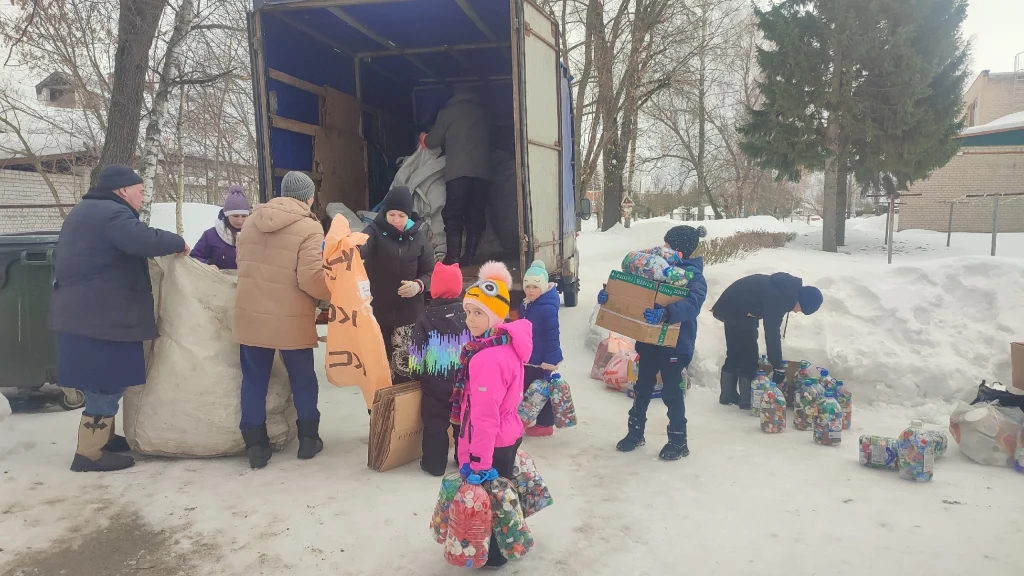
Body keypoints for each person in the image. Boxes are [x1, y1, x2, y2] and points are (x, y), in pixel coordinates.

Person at [51, 164, 188, 472]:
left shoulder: (87, 210)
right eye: (140, 192)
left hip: (84, 315)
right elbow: (143, 240)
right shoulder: (111, 215)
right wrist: (178, 242)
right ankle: (89, 454)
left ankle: (105, 438)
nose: (142, 198)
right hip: (101, 319)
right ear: (123, 190)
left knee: (101, 379)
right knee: (106, 382)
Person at [234, 171, 332, 469]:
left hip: (251, 314)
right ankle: (308, 440)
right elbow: (310, 278)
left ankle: (256, 446)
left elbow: (243, 264)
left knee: (253, 380)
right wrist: (330, 295)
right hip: (290, 316)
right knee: (302, 378)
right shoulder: (309, 227)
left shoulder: (251, 221)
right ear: (309, 197)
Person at [599, 225, 708, 461]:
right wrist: (609, 297)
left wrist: (667, 313)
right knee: (642, 389)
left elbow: (694, 304)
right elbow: (633, 292)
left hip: (675, 345)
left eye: (668, 244)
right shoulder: (653, 269)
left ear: (679, 249)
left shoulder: (692, 275)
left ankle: (678, 442)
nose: (663, 247)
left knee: (671, 392)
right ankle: (635, 433)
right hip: (648, 342)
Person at [453, 261, 533, 568]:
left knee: (491, 504)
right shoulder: (507, 343)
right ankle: (506, 547)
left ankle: (493, 557)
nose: (470, 319)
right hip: (508, 432)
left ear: (495, 315)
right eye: (468, 311)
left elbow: (484, 417)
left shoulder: (485, 358)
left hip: (491, 442)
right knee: (504, 497)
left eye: (478, 312)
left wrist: (479, 462)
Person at [712, 272, 823, 409]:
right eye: (801, 309)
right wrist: (778, 367)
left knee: (736, 351)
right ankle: (746, 400)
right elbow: (772, 334)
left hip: (735, 306)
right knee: (749, 354)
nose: (796, 312)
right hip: (736, 309)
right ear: (801, 301)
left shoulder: (785, 290)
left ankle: (728, 395)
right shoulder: (780, 298)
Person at [359, 186, 434, 381]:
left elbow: (430, 272)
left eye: (401, 215)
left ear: (408, 215)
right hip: (378, 314)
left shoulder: (418, 238)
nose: (396, 220)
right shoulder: (374, 230)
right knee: (379, 373)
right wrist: (350, 247)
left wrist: (418, 285)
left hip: (408, 317)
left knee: (406, 374)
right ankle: (378, 412)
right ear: (385, 212)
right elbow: (362, 247)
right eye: (392, 214)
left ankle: (404, 412)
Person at [409, 262, 471, 476]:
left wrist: (415, 372)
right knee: (463, 422)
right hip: (464, 381)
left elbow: (417, 350)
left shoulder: (425, 317)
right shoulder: (468, 315)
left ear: (434, 289)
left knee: (434, 423)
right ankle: (464, 459)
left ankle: (434, 464)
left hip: (435, 381)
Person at [421, 84, 491, 266]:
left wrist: (424, 137)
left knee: (453, 214)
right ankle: (470, 256)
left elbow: (432, 141)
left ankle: (452, 258)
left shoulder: (448, 113)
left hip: (457, 174)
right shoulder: (483, 113)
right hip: (482, 174)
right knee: (476, 214)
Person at [518, 259, 563, 437]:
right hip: (530, 355)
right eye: (527, 286)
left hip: (541, 358)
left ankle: (545, 424)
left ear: (543, 288)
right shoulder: (528, 304)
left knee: (541, 392)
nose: (530, 290)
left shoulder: (546, 308)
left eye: (535, 287)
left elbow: (553, 335)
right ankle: (530, 419)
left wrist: (550, 360)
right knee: (531, 389)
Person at [191, 184, 251, 270]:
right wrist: (207, 265)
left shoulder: (256, 235)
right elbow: (194, 258)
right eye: (235, 216)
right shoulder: (210, 235)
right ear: (227, 215)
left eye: (244, 216)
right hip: (218, 282)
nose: (240, 220)